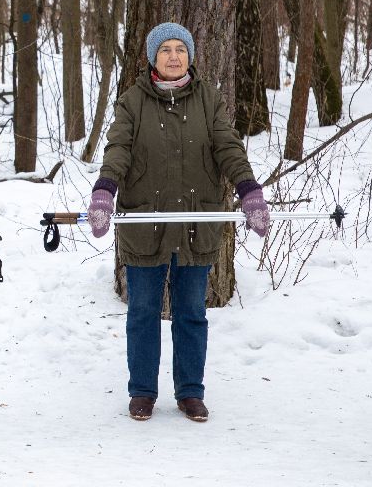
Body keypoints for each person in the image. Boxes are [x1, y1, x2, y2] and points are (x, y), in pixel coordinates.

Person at [87, 22, 270, 423]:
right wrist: (105, 188)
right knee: (143, 312)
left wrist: (248, 188)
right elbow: (118, 146)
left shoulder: (208, 99)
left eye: (180, 49)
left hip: (194, 221)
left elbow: (227, 145)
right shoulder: (133, 100)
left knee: (191, 312)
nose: (174, 56)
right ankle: (142, 392)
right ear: (153, 58)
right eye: (165, 49)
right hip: (145, 222)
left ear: (190, 55)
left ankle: (190, 391)